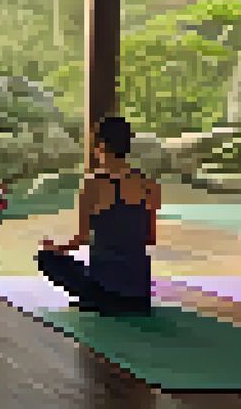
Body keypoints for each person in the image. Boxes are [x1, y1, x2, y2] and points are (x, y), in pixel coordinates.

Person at [37, 116, 159, 316]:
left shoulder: (92, 184)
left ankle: (94, 298)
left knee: (46, 257)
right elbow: (150, 237)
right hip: (139, 294)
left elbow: (81, 239)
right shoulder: (149, 184)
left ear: (101, 145)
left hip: (104, 291)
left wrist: (56, 248)